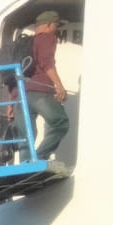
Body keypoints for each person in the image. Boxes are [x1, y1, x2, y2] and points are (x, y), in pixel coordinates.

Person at [22, 9, 71, 162]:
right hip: (41, 90)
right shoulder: (46, 38)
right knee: (60, 123)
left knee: (27, 134)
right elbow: (47, 63)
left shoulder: (27, 42)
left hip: (24, 92)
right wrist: (59, 85)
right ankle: (40, 157)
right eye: (56, 25)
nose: (56, 29)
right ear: (49, 24)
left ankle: (25, 164)